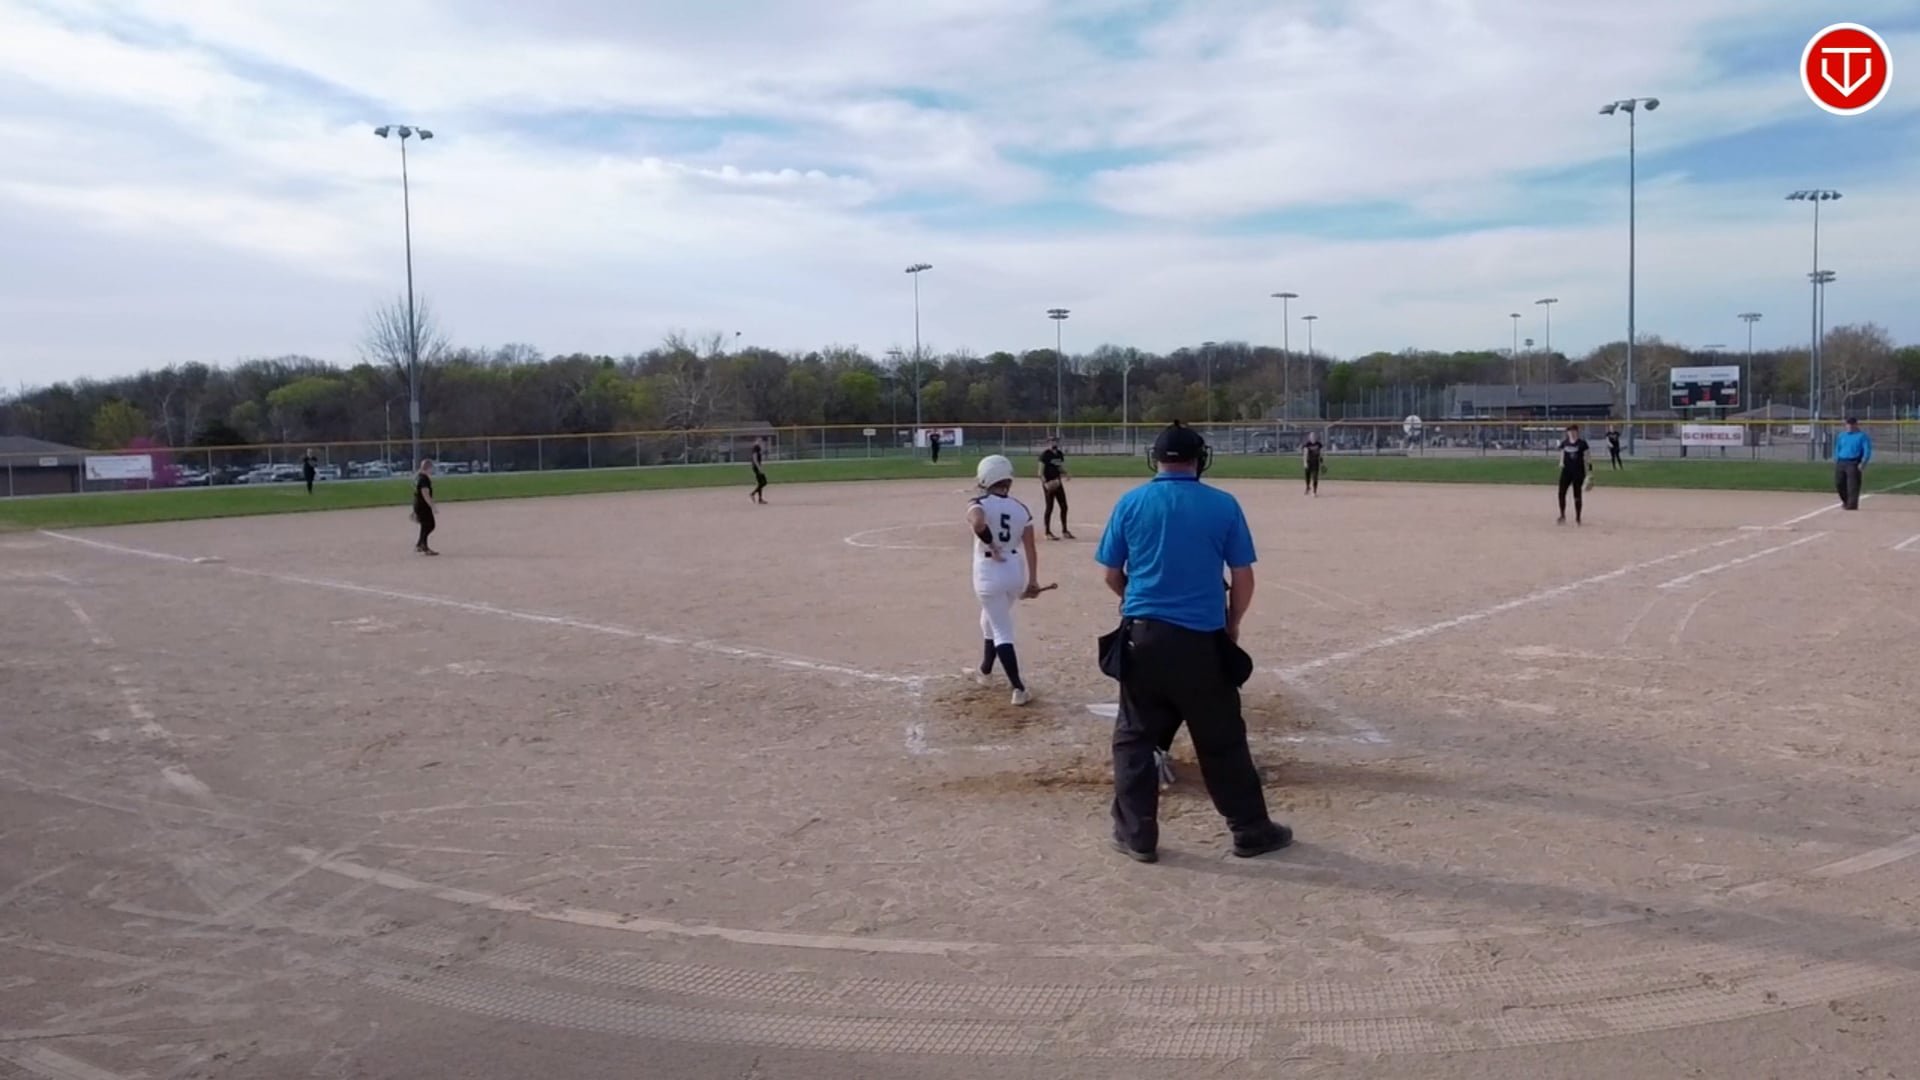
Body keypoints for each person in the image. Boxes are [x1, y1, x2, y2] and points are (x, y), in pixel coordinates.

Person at [1094, 421, 1292, 864]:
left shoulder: (1131, 502)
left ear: (1155, 459)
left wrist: (1136, 601)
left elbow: (1111, 574)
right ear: (1199, 460)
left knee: (1134, 738)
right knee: (1222, 739)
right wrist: (1232, 624)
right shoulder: (1222, 504)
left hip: (1142, 637)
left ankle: (1137, 835)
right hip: (1202, 641)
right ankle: (1250, 830)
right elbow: (1243, 577)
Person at [966, 455, 1042, 706]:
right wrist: (1033, 581)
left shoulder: (979, 503)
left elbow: (978, 523)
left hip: (988, 571)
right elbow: (1031, 548)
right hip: (1014, 571)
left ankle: (1018, 687)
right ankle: (985, 671)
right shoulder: (1021, 508)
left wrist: (991, 543)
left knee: (1000, 629)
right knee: (989, 618)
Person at [1555, 424, 1593, 526]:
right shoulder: (1565, 443)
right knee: (1561, 493)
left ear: (1577, 432)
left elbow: (1588, 457)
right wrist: (1561, 462)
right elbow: (1562, 453)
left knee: (1577, 494)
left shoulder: (1582, 444)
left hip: (1578, 472)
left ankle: (1578, 518)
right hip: (1566, 471)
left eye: (1573, 431)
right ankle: (1562, 515)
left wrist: (1590, 472)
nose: (1571, 433)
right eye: (1569, 431)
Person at [1038, 436, 1074, 540]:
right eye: (1051, 441)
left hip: (1058, 483)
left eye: (1054, 441)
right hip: (1049, 484)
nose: (1053, 443)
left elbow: (1058, 467)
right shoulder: (1045, 455)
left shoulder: (1059, 454)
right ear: (1047, 443)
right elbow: (1040, 472)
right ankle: (1047, 532)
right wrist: (1045, 483)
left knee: (1064, 506)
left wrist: (1066, 473)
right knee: (1049, 507)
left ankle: (1065, 531)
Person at [1834, 417, 1873, 511]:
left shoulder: (1862, 436)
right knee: (1839, 483)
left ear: (1856, 425)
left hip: (1853, 462)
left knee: (1852, 485)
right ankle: (1846, 501)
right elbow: (1838, 448)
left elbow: (1867, 450)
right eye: (1848, 425)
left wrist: (1863, 462)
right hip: (1841, 461)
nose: (1849, 427)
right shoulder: (1842, 435)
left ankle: (1852, 504)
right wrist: (1837, 459)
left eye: (1851, 425)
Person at [412, 459, 438, 555]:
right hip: (423, 506)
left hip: (419, 505)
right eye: (431, 468)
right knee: (430, 525)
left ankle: (420, 544)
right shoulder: (423, 479)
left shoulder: (420, 477)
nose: (432, 470)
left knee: (425, 525)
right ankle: (423, 546)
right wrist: (433, 506)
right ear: (428, 468)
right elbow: (425, 494)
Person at [748, 438, 768, 504]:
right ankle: (752, 494)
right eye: (761, 442)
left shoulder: (758, 448)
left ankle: (760, 499)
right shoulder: (756, 447)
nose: (762, 443)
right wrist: (759, 468)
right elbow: (755, 458)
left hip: (757, 467)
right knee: (764, 482)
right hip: (756, 467)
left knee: (761, 483)